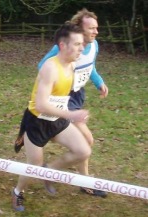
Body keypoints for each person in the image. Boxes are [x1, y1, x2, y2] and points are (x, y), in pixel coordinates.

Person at [14, 8, 108, 197]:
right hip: (41, 118)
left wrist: (98, 82)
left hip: (62, 111)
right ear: (65, 45)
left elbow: (90, 68)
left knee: (84, 148)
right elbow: (41, 102)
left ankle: (53, 173)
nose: (81, 49)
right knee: (34, 165)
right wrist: (71, 113)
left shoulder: (77, 59)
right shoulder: (53, 64)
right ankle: (18, 192)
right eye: (91, 28)